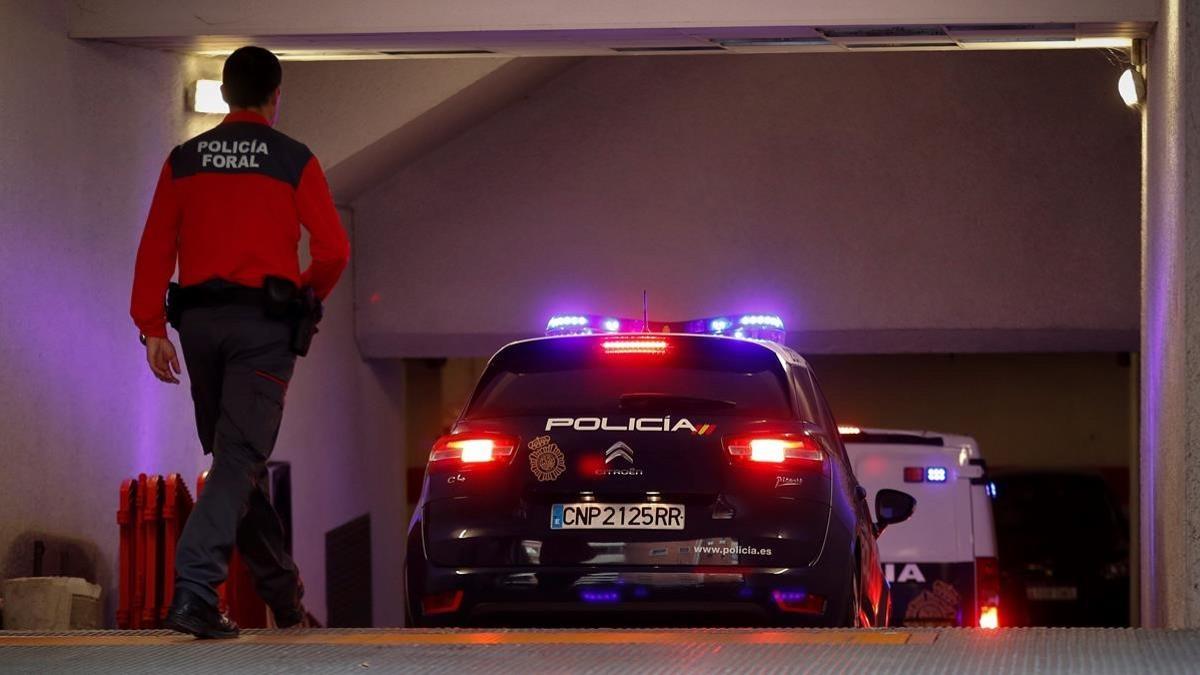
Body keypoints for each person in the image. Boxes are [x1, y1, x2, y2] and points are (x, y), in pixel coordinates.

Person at [130, 45, 350, 638]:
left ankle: (284, 601)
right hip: (262, 328)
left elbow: (156, 243)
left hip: (198, 327)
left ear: (225, 95)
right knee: (237, 461)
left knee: (235, 463)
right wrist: (302, 294)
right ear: (275, 98)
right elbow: (333, 251)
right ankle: (196, 591)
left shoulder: (184, 159)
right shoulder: (293, 159)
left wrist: (151, 326)